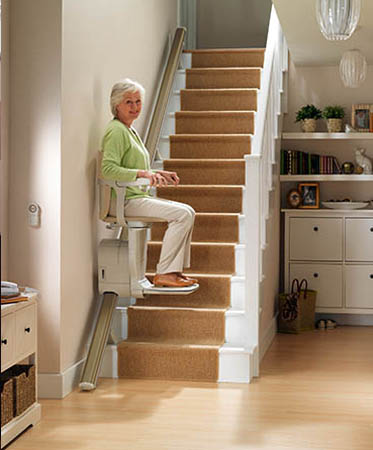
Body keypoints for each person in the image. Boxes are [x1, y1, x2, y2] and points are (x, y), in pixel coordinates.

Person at [101, 78, 197, 288]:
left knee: (187, 211)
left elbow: (131, 168)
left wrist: (157, 173)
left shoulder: (129, 130)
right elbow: (107, 169)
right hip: (124, 201)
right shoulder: (116, 131)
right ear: (117, 105)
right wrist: (143, 172)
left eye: (138, 101)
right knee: (182, 214)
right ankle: (165, 273)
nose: (135, 107)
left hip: (136, 196)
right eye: (129, 102)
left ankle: (173, 270)